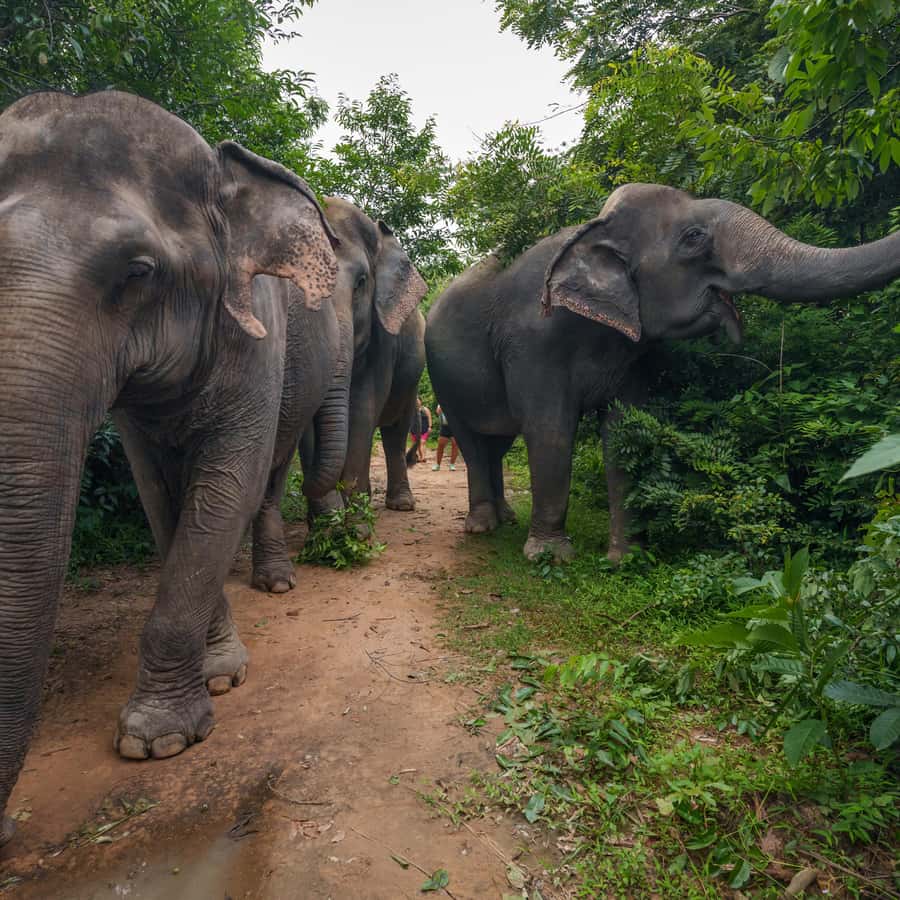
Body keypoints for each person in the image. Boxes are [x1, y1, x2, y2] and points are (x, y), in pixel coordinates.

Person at [432, 405, 459, 471]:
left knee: (455, 445)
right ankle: (438, 465)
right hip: (445, 427)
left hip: (455, 426)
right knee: (440, 445)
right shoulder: (442, 402)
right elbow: (438, 411)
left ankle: (452, 464)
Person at [409, 396, 431, 463]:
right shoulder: (412, 409)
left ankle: (423, 457)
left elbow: (429, 418)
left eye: (418, 400)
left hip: (424, 429)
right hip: (414, 429)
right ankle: (419, 457)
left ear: (421, 401)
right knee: (416, 444)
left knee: (422, 442)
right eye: (415, 401)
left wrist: (430, 427)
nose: (417, 402)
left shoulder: (425, 409)